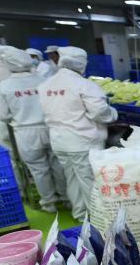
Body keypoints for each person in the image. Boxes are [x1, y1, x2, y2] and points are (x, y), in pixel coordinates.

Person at [39, 46, 117, 222]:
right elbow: (100, 112)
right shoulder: (84, 85)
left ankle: (81, 214)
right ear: (81, 63)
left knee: (72, 178)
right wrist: (113, 114)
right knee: (89, 181)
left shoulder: (46, 84)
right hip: (82, 141)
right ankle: (97, 219)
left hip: (59, 140)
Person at [0, 47, 67, 213]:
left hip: (26, 131)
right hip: (51, 128)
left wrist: (16, 115)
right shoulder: (45, 80)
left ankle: (49, 203)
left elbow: (0, 114)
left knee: (38, 169)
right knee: (58, 164)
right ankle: (66, 198)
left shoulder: (3, 86)